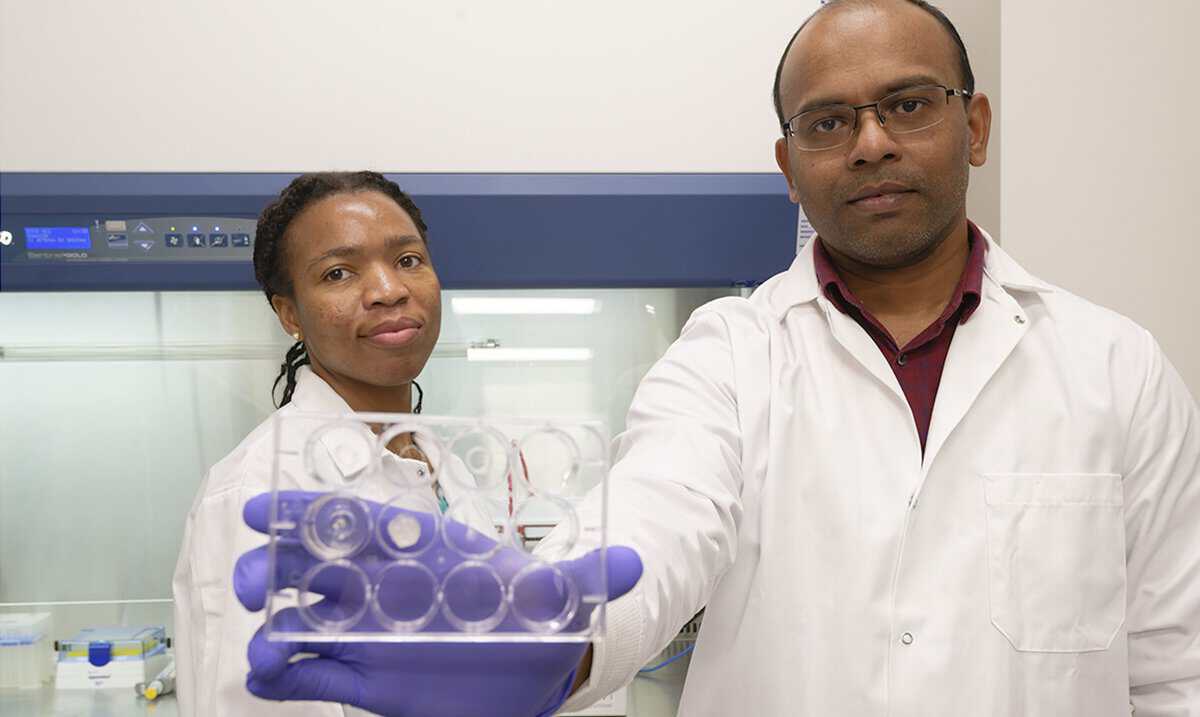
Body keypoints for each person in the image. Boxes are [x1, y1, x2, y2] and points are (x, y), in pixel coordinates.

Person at [233, 2, 1200, 715]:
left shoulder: (1114, 367)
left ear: (974, 126)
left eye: (907, 105)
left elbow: (1170, 670)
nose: (869, 144)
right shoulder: (727, 357)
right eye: (827, 122)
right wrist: (543, 644)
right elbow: (655, 529)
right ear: (788, 166)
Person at [172, 172, 642, 716]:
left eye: (408, 260)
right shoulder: (261, 490)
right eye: (339, 272)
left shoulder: (442, 467)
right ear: (290, 313)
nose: (388, 289)